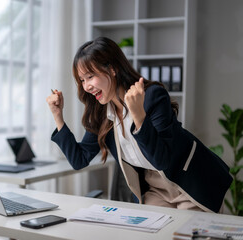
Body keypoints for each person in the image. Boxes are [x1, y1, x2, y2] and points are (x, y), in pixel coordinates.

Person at [46, 36, 232, 213]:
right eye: (82, 80)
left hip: (191, 181)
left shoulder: (152, 96)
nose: (86, 86)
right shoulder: (102, 113)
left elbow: (161, 159)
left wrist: (139, 116)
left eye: (90, 76)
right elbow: (79, 159)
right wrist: (58, 116)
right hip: (156, 188)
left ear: (112, 69)